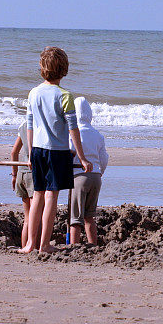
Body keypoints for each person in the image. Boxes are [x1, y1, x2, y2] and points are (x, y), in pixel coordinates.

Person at [19, 46, 92, 254]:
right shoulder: (65, 96)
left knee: (37, 196)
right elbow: (73, 129)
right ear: (64, 69)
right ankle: (44, 245)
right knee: (51, 197)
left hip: (38, 150)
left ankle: (30, 244)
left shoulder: (33, 93)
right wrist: (83, 157)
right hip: (57, 152)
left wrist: (31, 151)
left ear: (42, 68)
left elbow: (29, 124)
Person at [68, 96, 108, 245]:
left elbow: (70, 153)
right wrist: (99, 171)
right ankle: (93, 244)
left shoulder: (72, 133)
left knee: (75, 218)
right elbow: (104, 158)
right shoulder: (97, 135)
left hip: (79, 176)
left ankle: (73, 245)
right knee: (89, 216)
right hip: (96, 176)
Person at [10, 120, 34, 247]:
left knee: (28, 217)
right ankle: (34, 246)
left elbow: (14, 152)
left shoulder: (23, 125)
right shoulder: (38, 124)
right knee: (37, 215)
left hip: (21, 172)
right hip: (32, 174)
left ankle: (25, 246)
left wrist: (14, 175)